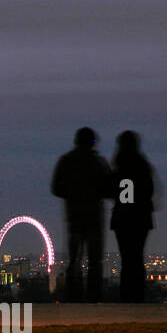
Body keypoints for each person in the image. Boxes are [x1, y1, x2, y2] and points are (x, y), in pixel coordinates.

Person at [51, 127, 111, 302]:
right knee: (94, 261)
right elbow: (110, 188)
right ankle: (93, 297)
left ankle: (73, 296)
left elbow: (55, 187)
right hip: (94, 219)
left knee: (73, 260)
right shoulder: (98, 162)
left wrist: (71, 195)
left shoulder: (66, 161)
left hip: (74, 218)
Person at [109, 130, 159, 303]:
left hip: (123, 219)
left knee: (127, 260)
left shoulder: (121, 167)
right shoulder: (142, 165)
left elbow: (118, 192)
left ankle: (127, 296)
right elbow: (149, 191)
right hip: (141, 218)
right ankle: (137, 295)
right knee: (137, 258)